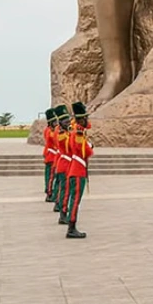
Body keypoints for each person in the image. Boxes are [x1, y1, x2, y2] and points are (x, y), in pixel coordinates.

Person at [62, 101, 94, 239]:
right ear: (81, 119)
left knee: (74, 199)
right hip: (77, 169)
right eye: (85, 117)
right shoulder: (79, 134)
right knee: (75, 200)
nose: (87, 119)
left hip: (75, 167)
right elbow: (86, 152)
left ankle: (71, 225)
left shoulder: (76, 131)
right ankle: (71, 227)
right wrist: (90, 146)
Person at [51, 105, 72, 217]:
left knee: (63, 187)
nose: (68, 122)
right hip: (64, 163)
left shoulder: (64, 132)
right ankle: (62, 210)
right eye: (65, 121)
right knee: (64, 188)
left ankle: (60, 206)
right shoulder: (61, 135)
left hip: (65, 162)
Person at [42, 108, 59, 202]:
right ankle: (49, 193)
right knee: (51, 176)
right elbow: (54, 139)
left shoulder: (51, 130)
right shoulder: (49, 131)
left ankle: (50, 191)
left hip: (53, 155)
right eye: (54, 121)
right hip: (51, 156)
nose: (56, 123)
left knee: (52, 176)